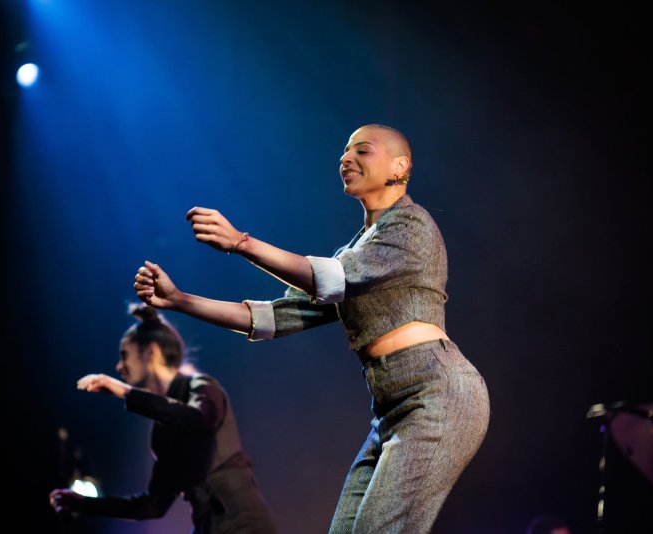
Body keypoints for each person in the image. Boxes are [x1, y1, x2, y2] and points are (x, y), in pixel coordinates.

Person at [134, 123, 490, 533]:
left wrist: (241, 242)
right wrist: (179, 300)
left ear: (400, 165)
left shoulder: (412, 227)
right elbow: (270, 318)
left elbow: (330, 276)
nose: (346, 159)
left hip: (438, 393)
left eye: (362, 151)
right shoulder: (358, 249)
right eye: (344, 153)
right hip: (390, 410)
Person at [48, 303, 277, 534]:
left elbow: (200, 421)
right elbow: (153, 505)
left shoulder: (202, 386)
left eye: (124, 355)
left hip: (244, 524)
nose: (119, 366)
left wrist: (125, 391)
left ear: (150, 352)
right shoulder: (162, 429)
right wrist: (84, 504)